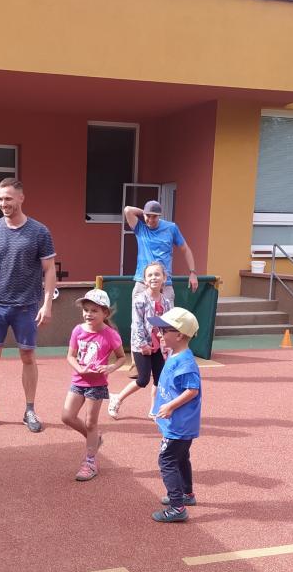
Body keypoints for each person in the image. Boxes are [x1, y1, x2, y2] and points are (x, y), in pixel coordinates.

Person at [0, 177, 56, 433]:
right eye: (0, 199)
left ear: (21, 198)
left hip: (27, 306)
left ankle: (29, 410)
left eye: (8, 198)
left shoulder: (39, 231)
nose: (3, 203)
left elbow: (49, 269)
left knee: (28, 357)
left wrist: (47, 304)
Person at [123, 199, 198, 377]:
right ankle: (137, 363)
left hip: (166, 284)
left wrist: (192, 272)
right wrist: (145, 212)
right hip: (142, 283)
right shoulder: (140, 227)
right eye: (148, 216)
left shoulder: (171, 228)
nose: (150, 220)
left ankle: (169, 360)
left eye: (154, 217)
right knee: (137, 323)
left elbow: (185, 249)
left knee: (169, 323)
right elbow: (127, 210)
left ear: (160, 216)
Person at [62, 289, 125, 482]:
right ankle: (94, 438)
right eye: (86, 310)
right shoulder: (78, 330)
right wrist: (79, 369)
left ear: (105, 313)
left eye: (94, 310)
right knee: (67, 416)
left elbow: (122, 358)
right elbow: (70, 356)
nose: (88, 314)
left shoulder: (110, 335)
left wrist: (110, 367)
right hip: (78, 380)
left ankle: (90, 462)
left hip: (97, 384)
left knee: (91, 422)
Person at [147, 308, 201, 523]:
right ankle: (187, 494)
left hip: (179, 424)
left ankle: (177, 507)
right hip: (177, 423)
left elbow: (192, 390)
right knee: (181, 457)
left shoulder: (185, 362)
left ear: (179, 335)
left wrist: (169, 406)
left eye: (164, 330)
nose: (159, 334)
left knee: (167, 460)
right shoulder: (174, 354)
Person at [108, 261, 172, 420]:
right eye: (150, 275)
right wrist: (143, 344)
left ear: (164, 278)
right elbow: (137, 324)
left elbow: (168, 324)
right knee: (143, 379)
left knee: (160, 379)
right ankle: (118, 398)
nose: (153, 278)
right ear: (145, 280)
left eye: (157, 274)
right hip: (142, 346)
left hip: (160, 347)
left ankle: (154, 409)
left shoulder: (166, 302)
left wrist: (167, 343)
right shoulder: (140, 300)